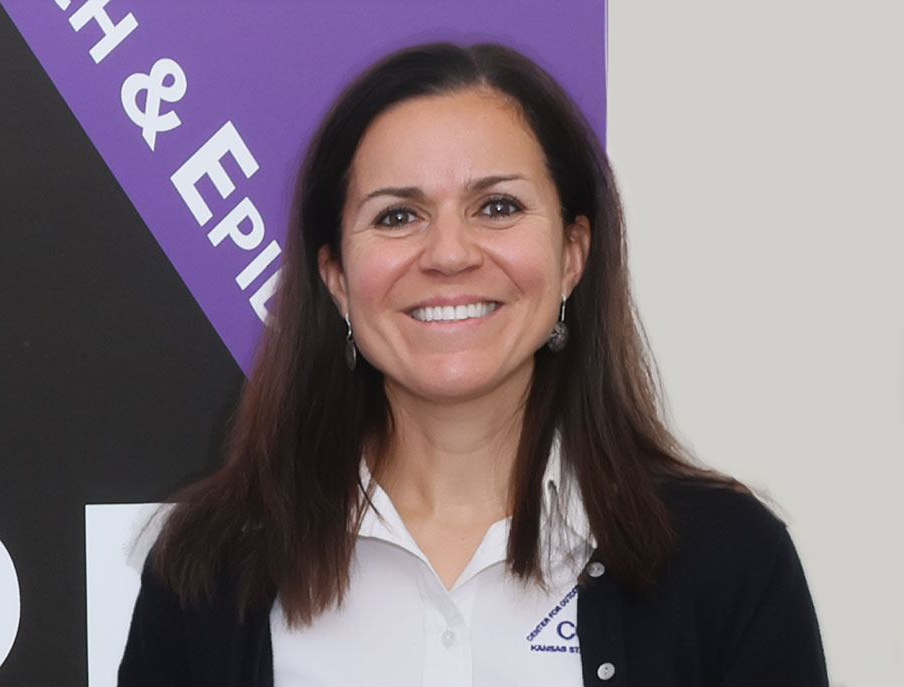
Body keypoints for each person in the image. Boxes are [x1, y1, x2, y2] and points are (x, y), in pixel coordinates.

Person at [118, 42, 828, 686]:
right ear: (334, 275)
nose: (450, 253)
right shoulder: (209, 572)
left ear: (573, 255)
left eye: (497, 206)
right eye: (398, 215)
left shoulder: (731, 562)